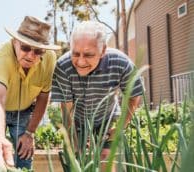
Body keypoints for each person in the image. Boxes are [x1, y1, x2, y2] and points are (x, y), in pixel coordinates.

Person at [51, 21, 143, 171]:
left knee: (106, 158)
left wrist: (119, 128)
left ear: (103, 50)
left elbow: (133, 96)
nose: (80, 61)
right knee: (77, 163)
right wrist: (74, 143)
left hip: (107, 120)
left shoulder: (121, 63)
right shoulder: (63, 66)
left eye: (88, 55)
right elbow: (67, 110)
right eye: (75, 53)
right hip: (77, 122)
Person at [0, 16, 61, 170]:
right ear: (15, 42)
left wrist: (30, 133)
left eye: (38, 51)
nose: (31, 55)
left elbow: (44, 97)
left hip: (24, 111)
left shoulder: (50, 59)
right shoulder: (1, 55)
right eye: (25, 48)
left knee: (24, 155)